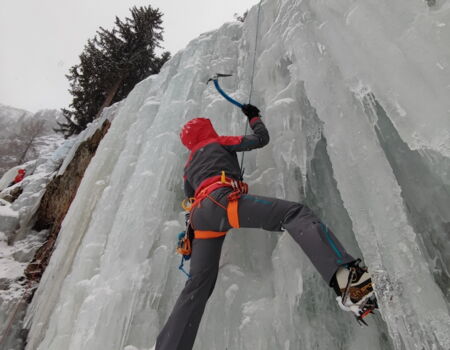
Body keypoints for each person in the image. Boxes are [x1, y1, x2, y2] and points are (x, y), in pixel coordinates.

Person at [156, 105, 377, 350]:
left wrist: (191, 237)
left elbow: (190, 200)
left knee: (197, 285)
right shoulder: (219, 141)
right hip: (222, 202)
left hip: (200, 220)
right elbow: (261, 139)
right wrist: (253, 117)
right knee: (295, 213)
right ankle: (350, 283)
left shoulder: (188, 167)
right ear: (207, 130)